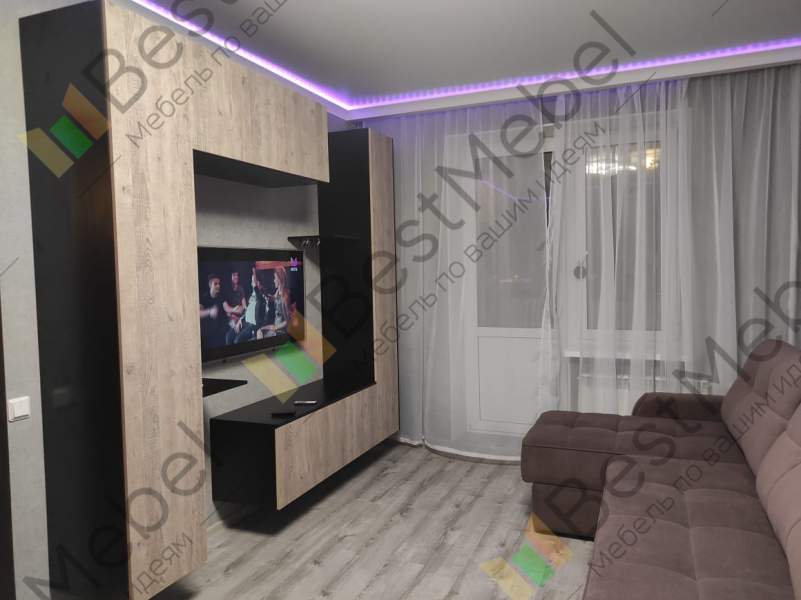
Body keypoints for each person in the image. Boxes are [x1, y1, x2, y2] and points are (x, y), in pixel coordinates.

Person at [199, 274, 227, 347]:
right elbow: (198, 313)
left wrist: (233, 311)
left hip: (220, 333)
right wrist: (209, 311)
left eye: (219, 284)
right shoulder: (204, 297)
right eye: (215, 284)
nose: (218, 286)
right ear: (210, 284)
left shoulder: (221, 296)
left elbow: (227, 308)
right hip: (207, 335)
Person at [223, 270, 247, 345]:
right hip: (230, 317)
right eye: (234, 275)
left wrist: (240, 310)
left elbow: (244, 306)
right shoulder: (226, 289)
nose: (236, 277)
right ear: (230, 277)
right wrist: (234, 310)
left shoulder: (241, 288)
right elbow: (226, 307)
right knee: (229, 337)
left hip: (240, 317)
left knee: (238, 337)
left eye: (237, 275)